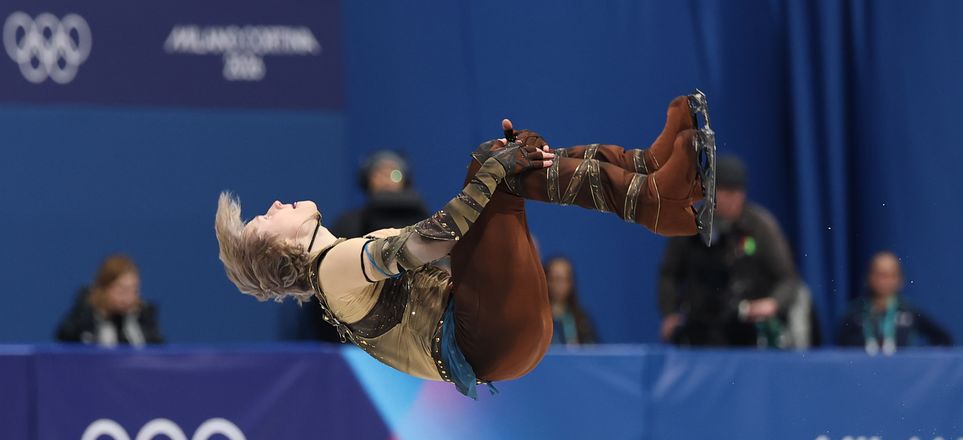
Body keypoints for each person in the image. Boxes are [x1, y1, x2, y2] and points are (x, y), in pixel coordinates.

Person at [215, 93, 714, 397]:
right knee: (491, 167)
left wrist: (503, 165)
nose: (274, 205)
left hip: (498, 340)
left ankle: (650, 174)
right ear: (280, 249)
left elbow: (444, 240)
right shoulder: (332, 268)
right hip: (486, 336)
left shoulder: (338, 263)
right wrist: (491, 175)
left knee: (505, 156)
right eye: (265, 219)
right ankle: (655, 199)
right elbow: (427, 245)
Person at [657, 154, 808, 348]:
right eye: (726, 193)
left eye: (738, 193)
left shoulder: (760, 227)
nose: (734, 200)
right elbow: (669, 273)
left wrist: (772, 303)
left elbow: (788, 278)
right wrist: (670, 313)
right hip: (701, 324)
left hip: (747, 325)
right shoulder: (690, 225)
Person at [836, 252, 951, 352]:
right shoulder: (854, 313)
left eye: (891, 275)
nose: (885, 281)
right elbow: (840, 351)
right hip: (864, 369)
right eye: (881, 275)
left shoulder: (910, 311)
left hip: (900, 369)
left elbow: (943, 339)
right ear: (869, 277)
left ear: (900, 279)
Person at [55, 254, 164, 347]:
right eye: (122, 290)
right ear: (104, 288)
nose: (128, 297)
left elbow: (158, 354)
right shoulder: (83, 318)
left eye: (134, 290)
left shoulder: (144, 318)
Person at [331, 150, 432, 240]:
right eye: (379, 174)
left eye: (395, 175)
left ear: (405, 180)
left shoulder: (423, 222)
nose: (386, 181)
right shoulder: (349, 223)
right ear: (367, 180)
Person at [544, 255, 598, 345]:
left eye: (564, 279)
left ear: (571, 283)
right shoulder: (539, 320)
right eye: (555, 279)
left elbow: (591, 348)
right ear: (546, 280)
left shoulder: (582, 320)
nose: (559, 284)